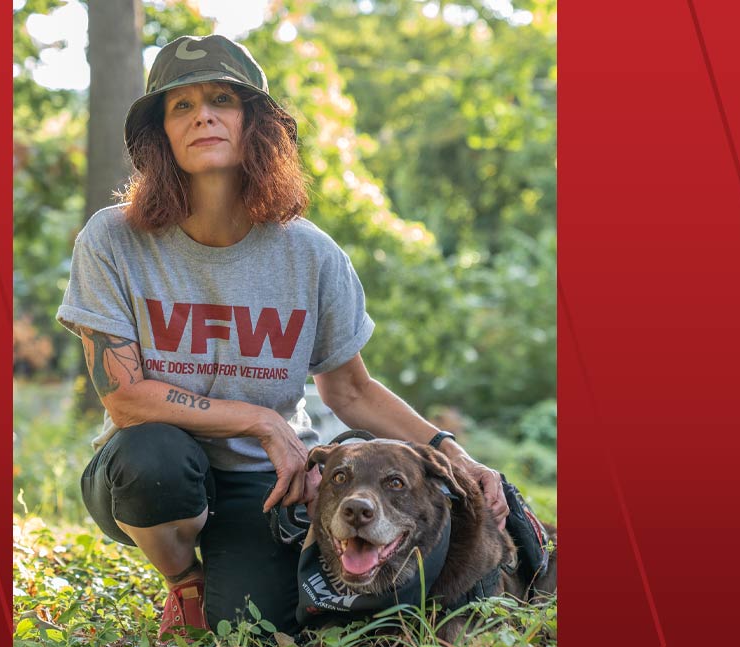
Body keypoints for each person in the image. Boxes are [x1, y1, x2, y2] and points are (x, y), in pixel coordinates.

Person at [56, 34, 509, 639]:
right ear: (159, 134)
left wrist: (452, 453)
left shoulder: (310, 254)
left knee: (256, 626)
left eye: (222, 99)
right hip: (146, 472)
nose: (203, 116)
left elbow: (351, 391)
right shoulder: (113, 238)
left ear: (256, 125)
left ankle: (227, 568)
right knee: (155, 458)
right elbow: (125, 397)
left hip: (267, 485)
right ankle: (183, 579)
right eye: (181, 107)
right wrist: (263, 421)